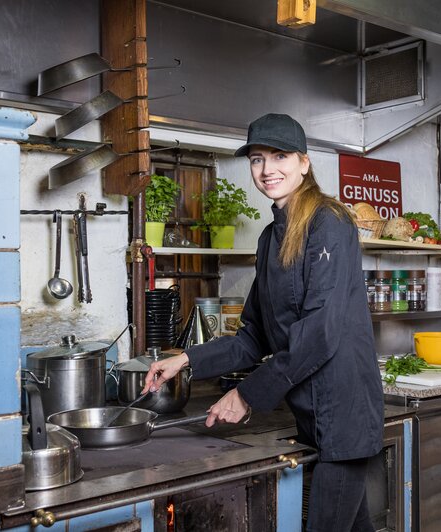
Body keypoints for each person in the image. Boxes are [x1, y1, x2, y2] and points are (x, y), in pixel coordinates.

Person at [142, 113, 384, 531]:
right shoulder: (270, 238)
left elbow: (320, 332)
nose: (267, 169)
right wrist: (184, 359)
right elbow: (253, 334)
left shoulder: (331, 223)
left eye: (280, 156)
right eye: (257, 159)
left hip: (343, 412)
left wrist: (247, 394)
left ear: (304, 163)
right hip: (311, 413)